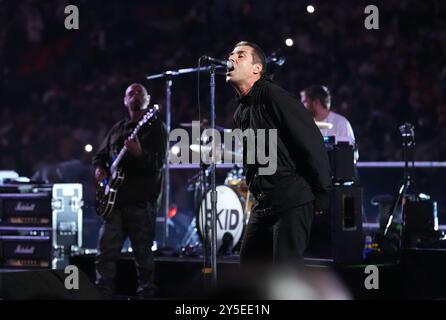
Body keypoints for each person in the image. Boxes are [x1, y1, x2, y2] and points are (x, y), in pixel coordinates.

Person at [226, 41, 332, 265]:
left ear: (257, 69)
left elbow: (311, 142)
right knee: (249, 272)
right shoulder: (241, 111)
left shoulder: (275, 97)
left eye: (241, 55)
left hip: (291, 200)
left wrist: (322, 193)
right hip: (263, 204)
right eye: (232, 54)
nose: (232, 58)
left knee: (285, 276)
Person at [92, 83, 167, 299]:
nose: (135, 95)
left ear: (147, 99)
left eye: (139, 92)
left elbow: (158, 164)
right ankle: (102, 294)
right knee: (104, 254)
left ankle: (146, 294)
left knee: (143, 258)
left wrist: (139, 153)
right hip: (114, 204)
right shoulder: (117, 129)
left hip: (140, 204)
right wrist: (99, 170)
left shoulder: (155, 128)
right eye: (130, 93)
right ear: (125, 101)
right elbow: (100, 156)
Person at [300, 85, 358, 161]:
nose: (301, 106)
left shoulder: (341, 123)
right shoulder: (304, 125)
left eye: (305, 102)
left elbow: (353, 155)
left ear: (316, 102)